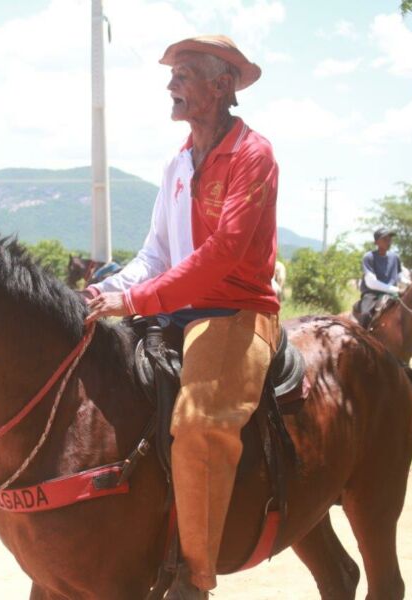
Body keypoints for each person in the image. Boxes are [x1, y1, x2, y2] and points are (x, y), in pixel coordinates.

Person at [82, 35, 279, 597]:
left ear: (221, 87)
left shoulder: (253, 156)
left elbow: (223, 257)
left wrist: (138, 301)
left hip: (235, 312)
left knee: (196, 426)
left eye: (185, 74)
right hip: (174, 310)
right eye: (172, 74)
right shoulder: (176, 164)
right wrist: (104, 293)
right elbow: (154, 256)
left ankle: (194, 579)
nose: (171, 83)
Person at [357, 227, 403, 328]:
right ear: (376, 242)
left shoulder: (395, 257)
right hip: (372, 294)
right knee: (365, 315)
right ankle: (363, 340)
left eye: (390, 239)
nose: (389, 242)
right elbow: (371, 283)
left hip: (393, 293)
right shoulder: (369, 257)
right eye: (385, 239)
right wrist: (395, 289)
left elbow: (401, 278)